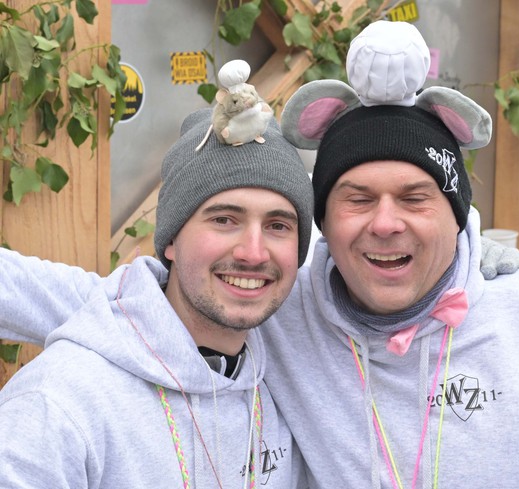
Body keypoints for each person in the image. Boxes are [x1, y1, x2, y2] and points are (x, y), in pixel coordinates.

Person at [0, 21, 519, 488]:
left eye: (416, 198)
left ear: (457, 216)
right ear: (326, 226)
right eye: (358, 198)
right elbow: (134, 309)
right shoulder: (279, 310)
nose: (385, 224)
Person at [0, 108, 313, 487]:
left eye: (277, 225)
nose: (253, 253)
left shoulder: (287, 382)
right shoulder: (59, 406)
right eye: (223, 220)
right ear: (171, 242)